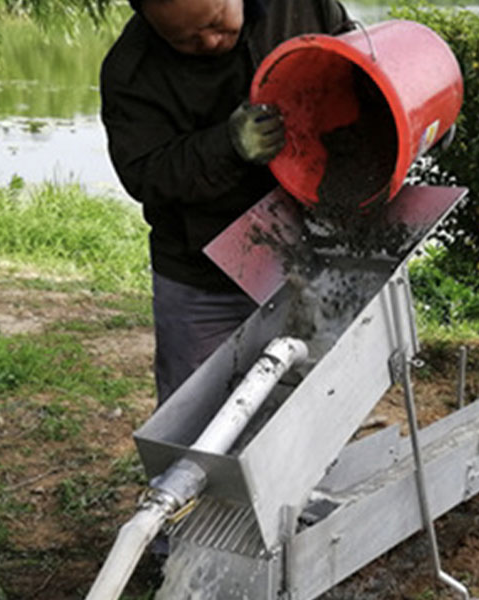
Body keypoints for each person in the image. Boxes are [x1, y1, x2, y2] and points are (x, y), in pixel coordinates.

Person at [100, 0, 351, 406]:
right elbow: (146, 174)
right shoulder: (131, 72)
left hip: (306, 254)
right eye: (186, 39)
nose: (211, 40)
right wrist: (227, 146)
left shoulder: (300, 6)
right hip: (201, 276)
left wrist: (412, 105)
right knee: (194, 419)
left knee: (309, 405)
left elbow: (353, 59)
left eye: (216, 21)